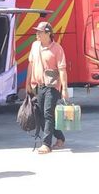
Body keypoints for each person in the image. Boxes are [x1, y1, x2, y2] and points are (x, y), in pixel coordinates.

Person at [25, 22, 68, 154]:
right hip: (38, 85)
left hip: (52, 86)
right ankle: (60, 137)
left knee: (48, 113)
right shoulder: (35, 46)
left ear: (48, 33)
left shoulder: (57, 49)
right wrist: (27, 83)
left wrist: (64, 89)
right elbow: (31, 65)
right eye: (36, 31)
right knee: (41, 115)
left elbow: (62, 70)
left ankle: (46, 144)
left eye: (40, 32)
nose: (37, 34)